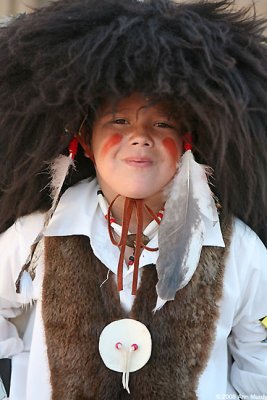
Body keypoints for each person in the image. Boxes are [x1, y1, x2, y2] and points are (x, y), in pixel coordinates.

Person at [0, 0, 267, 399]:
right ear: (86, 141)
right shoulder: (36, 236)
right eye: (119, 121)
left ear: (186, 142)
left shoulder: (239, 249)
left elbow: (258, 355)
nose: (140, 137)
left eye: (161, 124)